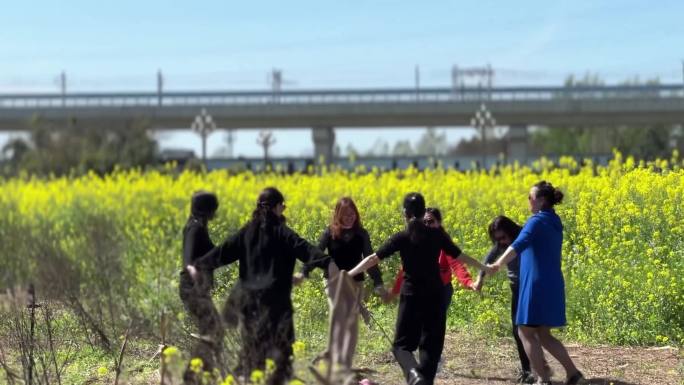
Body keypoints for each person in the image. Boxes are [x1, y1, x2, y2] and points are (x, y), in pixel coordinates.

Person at [187, 187, 328, 385]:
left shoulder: (247, 231)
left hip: (249, 303)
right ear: (277, 207)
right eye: (283, 206)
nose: (283, 210)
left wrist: (199, 265)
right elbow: (305, 249)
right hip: (277, 306)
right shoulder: (282, 232)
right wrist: (328, 263)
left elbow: (223, 252)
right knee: (282, 356)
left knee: (252, 354)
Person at [349, 193, 493, 385]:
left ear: (405, 213)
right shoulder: (437, 233)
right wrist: (484, 268)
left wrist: (350, 273)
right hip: (436, 294)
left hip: (412, 295)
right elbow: (460, 256)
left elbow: (373, 258)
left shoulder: (403, 236)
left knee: (401, 347)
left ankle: (414, 376)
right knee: (431, 347)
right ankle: (424, 381)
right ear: (423, 211)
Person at [488, 181, 584, 385]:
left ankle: (542, 378)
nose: (528, 201)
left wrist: (498, 263)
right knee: (543, 334)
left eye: (530, 197)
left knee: (524, 331)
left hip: (535, 284)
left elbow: (518, 244)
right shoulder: (554, 220)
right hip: (552, 283)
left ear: (541, 200)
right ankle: (574, 375)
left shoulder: (536, 221)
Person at [300, 197, 387, 372]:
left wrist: (378, 282)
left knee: (350, 322)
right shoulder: (330, 232)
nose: (350, 217)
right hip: (333, 281)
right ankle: (333, 361)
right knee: (339, 316)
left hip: (356, 282)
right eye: (345, 214)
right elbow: (316, 253)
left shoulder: (362, 234)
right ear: (338, 215)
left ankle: (344, 363)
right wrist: (304, 272)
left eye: (352, 213)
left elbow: (369, 259)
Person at [471, 216, 535, 383]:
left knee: (530, 331)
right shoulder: (502, 244)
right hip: (517, 289)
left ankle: (538, 371)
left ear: (511, 231)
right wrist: (479, 280)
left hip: (531, 288)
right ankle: (527, 370)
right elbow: (489, 260)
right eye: (497, 239)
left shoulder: (524, 236)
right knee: (517, 331)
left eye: (503, 237)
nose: (501, 242)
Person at [389, 207, 477, 309]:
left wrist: (469, 282)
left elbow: (456, 264)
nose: (427, 225)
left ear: (438, 223)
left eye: (430, 221)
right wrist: (395, 291)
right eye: (424, 222)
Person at [178, 191, 223, 379]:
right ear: (207, 210)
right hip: (192, 289)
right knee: (214, 328)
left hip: (195, 289)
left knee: (211, 329)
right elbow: (188, 256)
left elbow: (213, 254)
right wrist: (192, 270)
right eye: (213, 209)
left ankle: (203, 371)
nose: (215, 213)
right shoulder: (195, 228)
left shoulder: (196, 226)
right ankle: (193, 374)